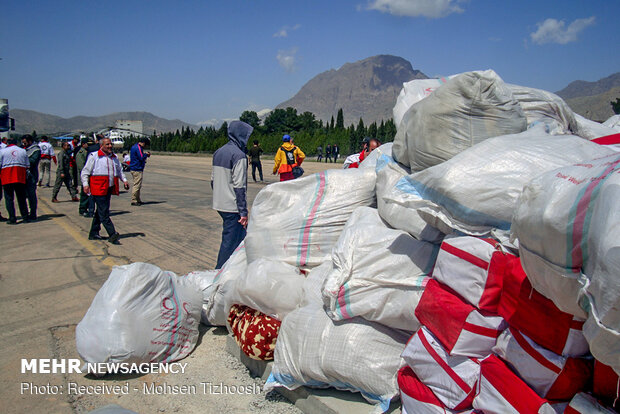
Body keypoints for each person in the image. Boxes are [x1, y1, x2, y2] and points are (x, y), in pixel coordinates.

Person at [211, 120, 253, 269]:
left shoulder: (219, 152)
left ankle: (236, 270)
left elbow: (213, 181)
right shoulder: (239, 156)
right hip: (232, 207)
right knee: (229, 243)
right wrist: (243, 211)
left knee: (240, 239)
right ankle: (218, 272)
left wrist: (220, 195)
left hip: (219, 203)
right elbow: (239, 186)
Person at [81, 137, 129, 244]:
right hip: (98, 188)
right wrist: (85, 184)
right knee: (104, 212)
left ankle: (93, 233)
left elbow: (119, 170)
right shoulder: (94, 156)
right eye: (107, 144)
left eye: (110, 144)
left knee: (100, 211)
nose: (110, 146)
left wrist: (124, 181)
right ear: (101, 146)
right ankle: (112, 233)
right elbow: (85, 172)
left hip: (108, 188)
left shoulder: (114, 157)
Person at [0, 138, 30, 224]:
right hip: (19, 176)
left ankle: (12, 218)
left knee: (9, 198)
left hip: (7, 177)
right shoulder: (23, 151)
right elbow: (27, 165)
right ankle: (25, 217)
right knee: (21, 198)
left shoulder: (2, 151)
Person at [22, 134, 41, 220]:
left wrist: (22, 160)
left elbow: (32, 161)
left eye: (25, 143)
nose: (24, 145)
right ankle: (25, 213)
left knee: (31, 195)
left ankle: (33, 213)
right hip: (23, 175)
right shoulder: (23, 149)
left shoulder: (36, 150)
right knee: (23, 195)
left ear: (30, 141)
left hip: (31, 176)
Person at [129, 137, 151, 206]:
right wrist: (146, 155)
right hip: (137, 168)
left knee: (138, 185)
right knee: (137, 185)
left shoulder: (134, 147)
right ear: (143, 143)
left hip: (134, 168)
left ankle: (138, 199)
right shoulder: (138, 148)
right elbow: (141, 157)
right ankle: (134, 200)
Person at [76, 138, 92, 217]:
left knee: (88, 193)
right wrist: (86, 175)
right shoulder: (80, 153)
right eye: (87, 144)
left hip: (89, 176)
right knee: (84, 194)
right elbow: (81, 166)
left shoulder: (87, 152)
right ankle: (82, 209)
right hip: (84, 176)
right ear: (83, 144)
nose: (88, 146)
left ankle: (87, 208)